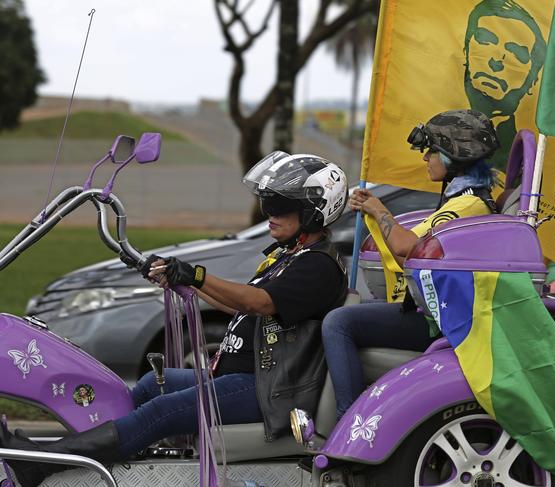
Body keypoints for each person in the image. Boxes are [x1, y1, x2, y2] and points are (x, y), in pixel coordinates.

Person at [0, 151, 349, 487]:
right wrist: (181, 280)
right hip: (244, 376)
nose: (268, 213)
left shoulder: (317, 266)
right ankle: (105, 456)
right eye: (266, 203)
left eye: (279, 206)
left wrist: (196, 275)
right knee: (152, 387)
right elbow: (239, 306)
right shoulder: (291, 256)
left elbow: (257, 302)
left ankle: (39, 464)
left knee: (161, 410)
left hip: (266, 389)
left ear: (313, 213)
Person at [322, 109, 500, 419]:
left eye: (432, 151)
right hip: (442, 313)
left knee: (338, 323)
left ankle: (347, 420)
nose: (426, 158)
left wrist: (378, 210)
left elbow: (407, 248)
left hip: (443, 321)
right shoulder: (462, 199)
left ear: (452, 156)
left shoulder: (468, 204)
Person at [464, 0, 546, 169]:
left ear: (533, 80)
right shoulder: (440, 129)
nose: (497, 61)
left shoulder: (522, 161)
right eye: (486, 41)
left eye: (516, 53)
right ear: (466, 50)